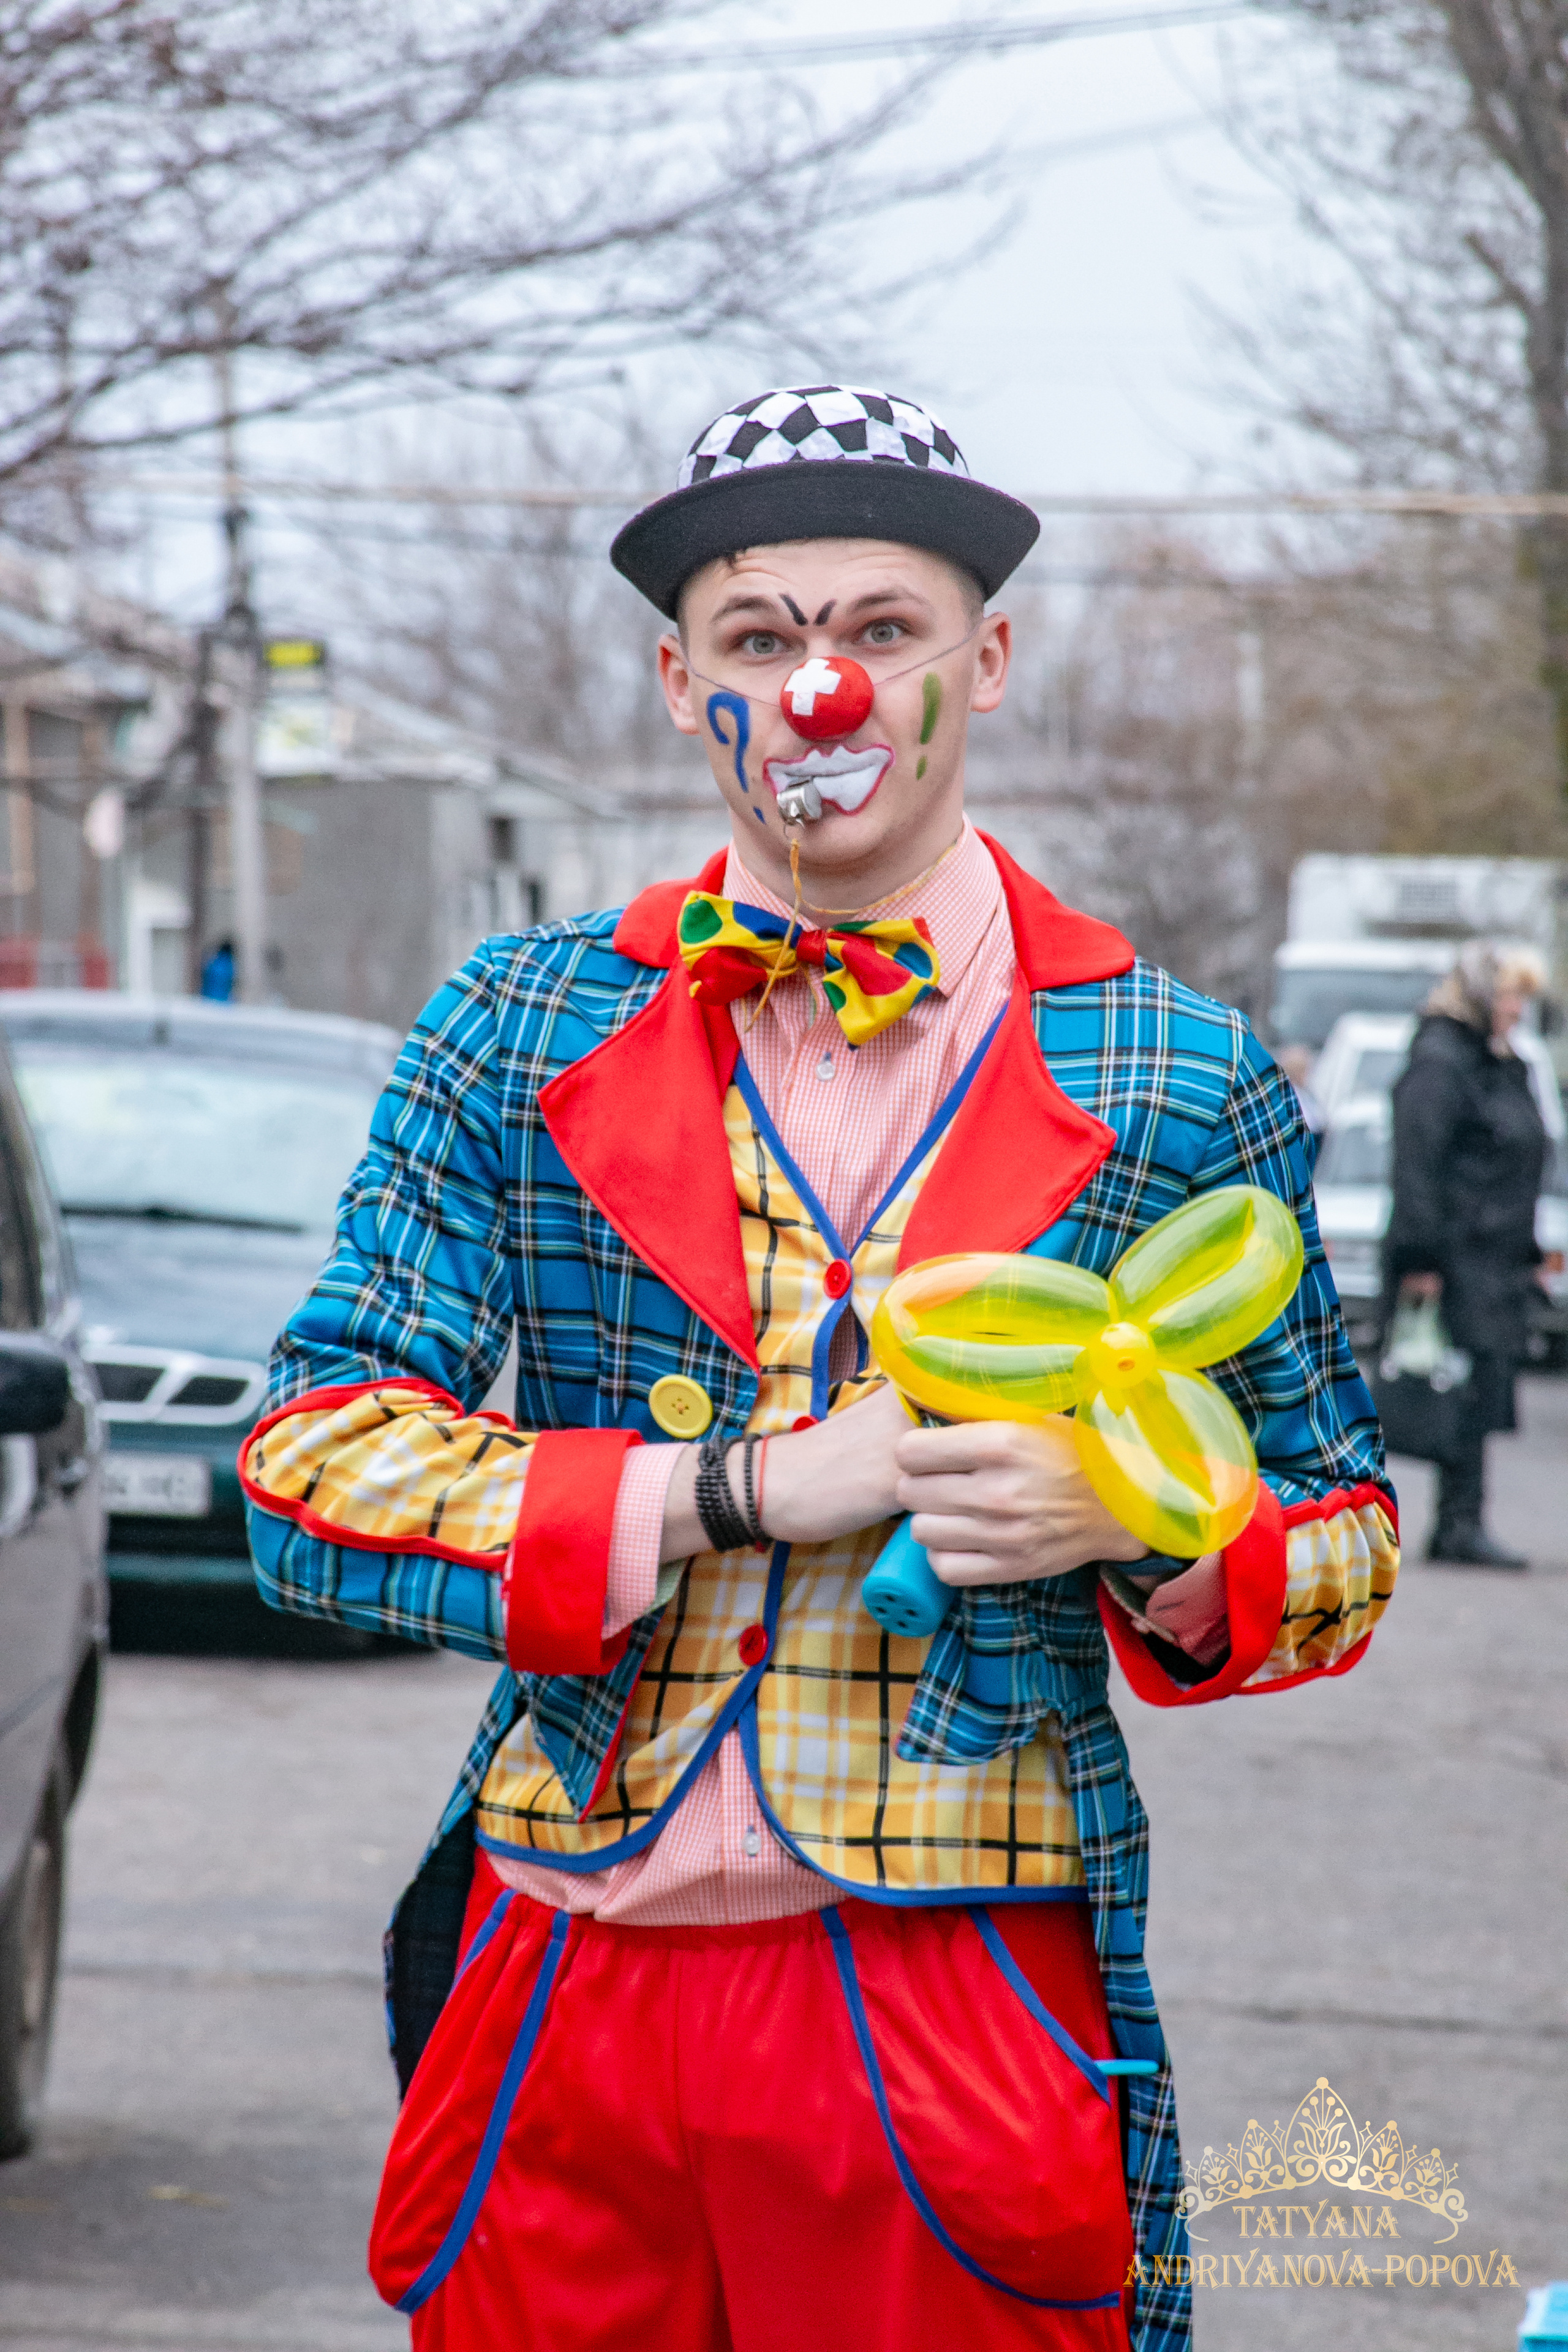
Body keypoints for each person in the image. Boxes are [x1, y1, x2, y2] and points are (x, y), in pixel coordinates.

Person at [240, 386, 1398, 2352]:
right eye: (765, 639)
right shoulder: (512, 1026)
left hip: (948, 1987)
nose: (823, 693)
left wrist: (1143, 1524)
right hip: (565, 1968)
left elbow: (1346, 1529)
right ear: (683, 676)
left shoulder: (1181, 1069)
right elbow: (304, 1468)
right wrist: (739, 1488)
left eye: (880, 629)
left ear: (987, 659)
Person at [1385, 941, 1549, 1568]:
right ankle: (1456, 1522)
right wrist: (1419, 1259)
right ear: (1481, 995)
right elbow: (1417, 1166)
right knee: (1458, 1388)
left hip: (1497, 1255)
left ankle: (1462, 1519)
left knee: (1481, 1388)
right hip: (1454, 1258)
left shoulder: (1499, 1062)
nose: (1516, 1011)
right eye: (1510, 996)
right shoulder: (1439, 1062)